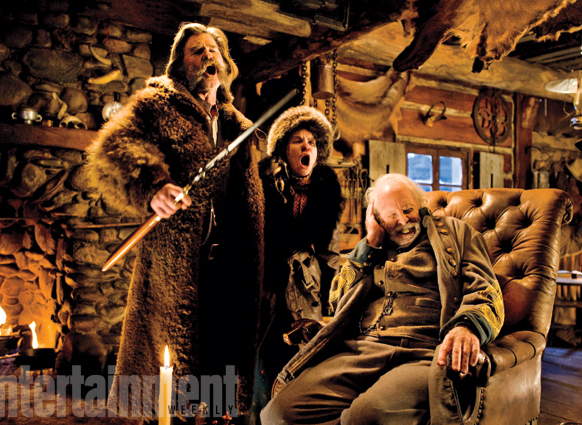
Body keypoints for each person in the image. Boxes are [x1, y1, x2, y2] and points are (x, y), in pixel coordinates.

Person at [86, 22, 264, 421]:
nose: (207, 56)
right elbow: (115, 146)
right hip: (176, 263)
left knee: (220, 365)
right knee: (171, 375)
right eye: (197, 51)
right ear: (180, 66)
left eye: (213, 51)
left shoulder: (235, 122)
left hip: (228, 264)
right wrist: (153, 186)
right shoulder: (157, 103)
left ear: (225, 65)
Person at [261, 173, 504, 424]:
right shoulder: (372, 248)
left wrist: (467, 327)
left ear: (420, 205)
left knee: (364, 417)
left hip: (423, 352)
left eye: (408, 210)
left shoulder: (456, 233)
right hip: (363, 349)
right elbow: (337, 301)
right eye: (391, 215)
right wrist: (369, 243)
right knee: (278, 414)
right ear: (376, 219)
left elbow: (485, 289)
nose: (403, 221)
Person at [252, 106, 343, 418]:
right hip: (266, 282)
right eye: (298, 141)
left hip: (307, 284)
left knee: (303, 363)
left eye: (312, 143)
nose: (307, 147)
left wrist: (334, 301)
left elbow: (331, 253)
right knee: (264, 363)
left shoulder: (327, 188)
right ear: (283, 149)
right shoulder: (263, 182)